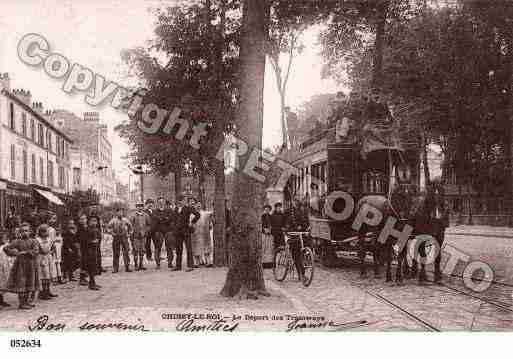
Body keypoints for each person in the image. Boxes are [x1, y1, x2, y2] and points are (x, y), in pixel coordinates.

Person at [3, 222, 40, 309]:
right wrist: (15, 253)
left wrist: (26, 252)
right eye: (22, 231)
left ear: (30, 231)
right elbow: (6, 248)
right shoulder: (17, 242)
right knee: (21, 282)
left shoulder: (33, 241)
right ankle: (22, 303)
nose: (24, 233)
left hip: (31, 265)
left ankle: (27, 301)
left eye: (26, 231)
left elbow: (36, 251)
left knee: (30, 282)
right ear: (20, 232)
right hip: (20, 266)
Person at [173, 195, 200, 272]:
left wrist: (192, 222)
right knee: (178, 249)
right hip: (178, 232)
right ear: (179, 201)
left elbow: (198, 215)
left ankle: (190, 266)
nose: (183, 202)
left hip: (186, 231)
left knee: (189, 248)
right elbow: (174, 220)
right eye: (181, 200)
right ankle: (178, 266)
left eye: (184, 200)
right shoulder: (176, 209)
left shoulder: (188, 208)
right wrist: (174, 228)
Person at [36, 224, 58, 300]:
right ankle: (43, 292)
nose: (45, 233)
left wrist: (52, 251)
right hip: (42, 258)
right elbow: (42, 250)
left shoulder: (48, 239)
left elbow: (51, 248)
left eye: (46, 231)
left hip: (48, 258)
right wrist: (46, 251)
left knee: (49, 274)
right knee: (44, 275)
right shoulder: (38, 240)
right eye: (44, 232)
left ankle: (48, 291)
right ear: (40, 232)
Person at [107, 208, 133, 273]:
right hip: (116, 237)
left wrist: (129, 234)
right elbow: (108, 228)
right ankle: (115, 268)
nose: (120, 213)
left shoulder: (126, 220)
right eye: (119, 212)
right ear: (116, 213)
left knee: (126, 252)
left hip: (124, 237)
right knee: (116, 253)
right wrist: (112, 233)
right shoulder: (113, 220)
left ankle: (127, 267)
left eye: (121, 212)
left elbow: (131, 228)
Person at [151, 198, 171, 269]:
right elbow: (154, 219)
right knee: (157, 248)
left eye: (162, 202)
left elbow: (170, 219)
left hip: (167, 231)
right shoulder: (154, 211)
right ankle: (158, 264)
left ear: (164, 203)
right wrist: (164, 218)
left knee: (169, 247)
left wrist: (161, 219)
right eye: (159, 202)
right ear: (157, 203)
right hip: (158, 232)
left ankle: (170, 263)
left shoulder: (168, 210)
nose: (161, 203)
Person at [131, 203, 151, 271]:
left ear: (143, 207)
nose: (140, 208)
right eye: (138, 206)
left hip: (143, 236)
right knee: (136, 250)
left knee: (142, 250)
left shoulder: (146, 215)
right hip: (135, 236)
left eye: (141, 206)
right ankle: (136, 265)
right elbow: (130, 225)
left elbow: (149, 225)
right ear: (136, 207)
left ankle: (141, 264)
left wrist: (146, 231)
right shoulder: (133, 215)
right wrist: (132, 232)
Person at [85, 216, 101, 290]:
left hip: (95, 250)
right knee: (91, 266)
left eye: (95, 221)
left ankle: (93, 282)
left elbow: (99, 238)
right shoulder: (87, 230)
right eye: (92, 221)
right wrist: (92, 241)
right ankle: (91, 283)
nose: (94, 223)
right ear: (89, 222)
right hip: (89, 250)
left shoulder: (96, 230)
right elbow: (85, 241)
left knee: (94, 266)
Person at [89, 209, 104, 275]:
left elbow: (100, 227)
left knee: (98, 253)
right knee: (93, 254)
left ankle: (99, 267)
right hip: (92, 236)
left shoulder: (98, 218)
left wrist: (101, 234)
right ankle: (94, 269)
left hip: (97, 235)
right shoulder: (89, 218)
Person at [0, 233, 13, 308]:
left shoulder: (4, 247)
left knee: (3, 284)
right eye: (4, 238)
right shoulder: (2, 248)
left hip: (4, 267)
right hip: (1, 268)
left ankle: (1, 300)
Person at [77, 214, 89, 286]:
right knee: (83, 263)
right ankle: (82, 279)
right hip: (82, 248)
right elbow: (77, 240)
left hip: (87, 247)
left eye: (84, 219)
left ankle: (84, 277)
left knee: (86, 263)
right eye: (81, 219)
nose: (83, 220)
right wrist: (78, 250)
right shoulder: (79, 229)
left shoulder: (87, 227)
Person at [164, 200, 176, 269]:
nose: (168, 207)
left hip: (170, 232)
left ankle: (170, 262)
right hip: (169, 232)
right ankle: (170, 262)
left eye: (168, 205)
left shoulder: (170, 212)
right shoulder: (170, 211)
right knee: (170, 248)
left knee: (170, 248)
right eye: (167, 205)